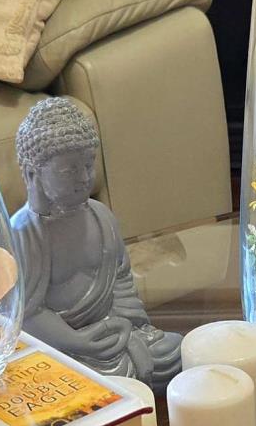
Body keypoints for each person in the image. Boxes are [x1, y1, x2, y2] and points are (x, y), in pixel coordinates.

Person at [11, 97, 181, 391]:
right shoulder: (25, 232)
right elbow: (25, 314)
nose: (84, 178)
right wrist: (76, 340)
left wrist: (127, 327)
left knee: (175, 350)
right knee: (64, 382)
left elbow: (122, 282)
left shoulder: (100, 216)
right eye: (68, 171)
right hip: (60, 347)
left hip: (111, 334)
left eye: (89, 165)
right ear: (31, 173)